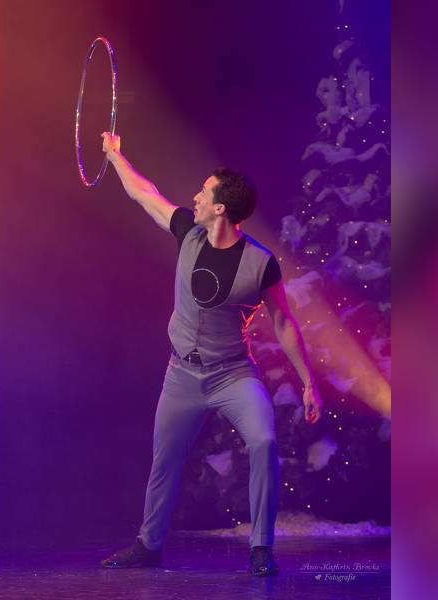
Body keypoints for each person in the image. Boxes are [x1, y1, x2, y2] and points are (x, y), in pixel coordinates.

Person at [96, 132, 323, 577]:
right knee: (165, 460)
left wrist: (308, 381)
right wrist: (115, 155)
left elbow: (283, 323)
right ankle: (149, 545)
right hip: (181, 375)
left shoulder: (261, 263)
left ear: (221, 208)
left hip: (233, 375)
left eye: (204, 192)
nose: (195, 197)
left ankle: (261, 549)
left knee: (264, 441)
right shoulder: (188, 231)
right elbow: (145, 194)